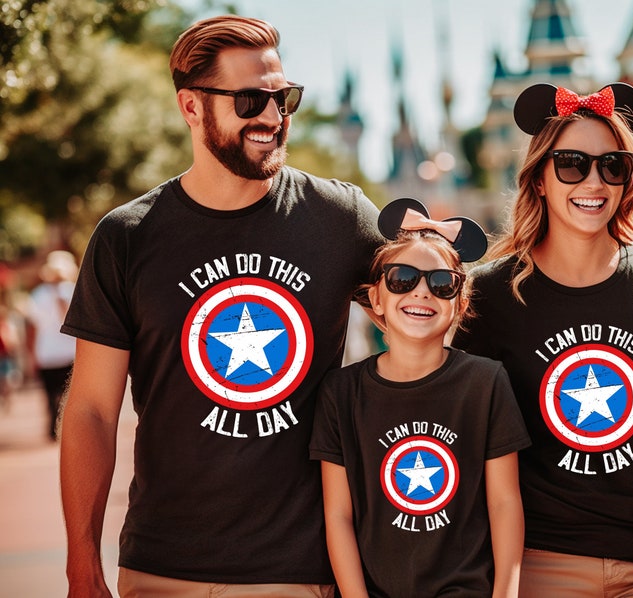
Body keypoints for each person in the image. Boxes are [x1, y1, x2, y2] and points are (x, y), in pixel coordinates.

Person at [59, 15, 382, 598]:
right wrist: (81, 562)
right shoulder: (127, 237)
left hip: (296, 573)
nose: (273, 117)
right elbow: (91, 411)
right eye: (250, 99)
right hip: (159, 570)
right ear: (191, 107)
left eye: (283, 98)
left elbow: (428, 308)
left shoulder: (341, 218)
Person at [453, 83, 633, 597]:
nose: (594, 180)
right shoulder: (489, 294)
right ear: (539, 178)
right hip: (542, 562)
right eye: (572, 164)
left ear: (628, 178)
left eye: (613, 165)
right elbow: (472, 445)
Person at [310, 198, 530, 598]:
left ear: (459, 304)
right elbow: (338, 515)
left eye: (442, 283)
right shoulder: (341, 393)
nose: (422, 292)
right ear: (376, 298)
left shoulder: (485, 383)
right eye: (402, 279)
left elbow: (504, 504)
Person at [25, 250, 78, 439]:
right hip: (70, 352)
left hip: (46, 353)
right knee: (69, 395)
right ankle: (66, 429)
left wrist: (31, 355)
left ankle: (52, 428)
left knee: (49, 395)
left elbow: (32, 329)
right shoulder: (74, 290)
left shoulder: (38, 295)